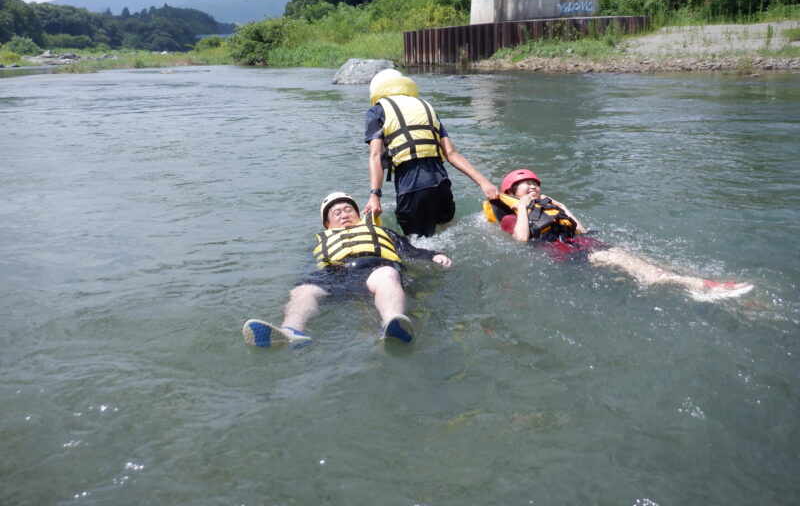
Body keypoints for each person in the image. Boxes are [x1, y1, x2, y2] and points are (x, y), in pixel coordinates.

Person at [485, 168, 754, 300]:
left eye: (534, 184)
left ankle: (694, 282)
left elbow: (581, 230)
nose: (532, 187)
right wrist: (521, 209)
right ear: (511, 193)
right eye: (524, 186)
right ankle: (701, 287)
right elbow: (521, 240)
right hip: (565, 255)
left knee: (641, 261)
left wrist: (564, 208)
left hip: (582, 243)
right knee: (632, 265)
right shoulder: (510, 216)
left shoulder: (550, 206)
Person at [243, 192, 452, 347]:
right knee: (303, 290)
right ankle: (290, 332)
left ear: (358, 214)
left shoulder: (379, 231)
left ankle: (392, 324)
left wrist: (433, 255)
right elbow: (310, 267)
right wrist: (306, 284)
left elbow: (409, 249)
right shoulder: (320, 240)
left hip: (374, 267)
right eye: (337, 213)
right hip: (334, 274)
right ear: (327, 223)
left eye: (348, 210)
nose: (344, 214)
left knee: (389, 274)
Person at [363, 69, 498, 237]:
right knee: (447, 232)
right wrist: (484, 183)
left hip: (411, 186)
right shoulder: (426, 108)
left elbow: (375, 155)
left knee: (417, 246)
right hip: (441, 182)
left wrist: (375, 195)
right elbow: (451, 153)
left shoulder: (377, 111)